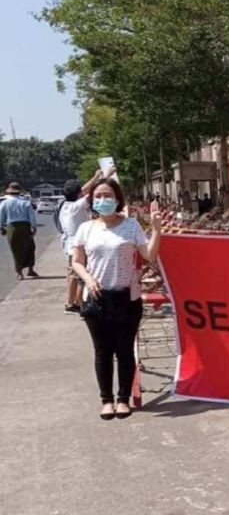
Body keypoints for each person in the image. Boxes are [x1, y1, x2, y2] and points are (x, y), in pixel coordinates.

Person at [71, 177, 162, 421]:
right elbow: (77, 262)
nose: (103, 200)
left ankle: (123, 399)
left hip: (127, 298)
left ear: (117, 198)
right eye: (98, 196)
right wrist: (88, 280)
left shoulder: (131, 226)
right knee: (102, 352)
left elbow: (149, 254)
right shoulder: (86, 229)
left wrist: (156, 228)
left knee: (124, 351)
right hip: (97, 299)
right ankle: (106, 400)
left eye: (107, 196)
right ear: (91, 201)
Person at [58, 168, 108, 313]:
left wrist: (95, 176)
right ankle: (80, 305)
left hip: (69, 245)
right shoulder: (77, 206)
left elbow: (84, 190)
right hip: (78, 246)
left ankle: (70, 302)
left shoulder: (64, 204)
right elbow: (91, 193)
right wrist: (105, 176)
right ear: (79, 195)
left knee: (73, 275)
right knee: (80, 276)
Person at [0, 181, 39, 280]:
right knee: (30, 248)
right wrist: (33, 227)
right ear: (19, 191)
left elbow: (1, 217)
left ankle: (19, 272)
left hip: (11, 227)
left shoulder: (4, 203)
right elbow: (31, 216)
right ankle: (30, 269)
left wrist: (1, 228)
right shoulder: (26, 202)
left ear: (9, 192)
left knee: (16, 250)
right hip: (25, 227)